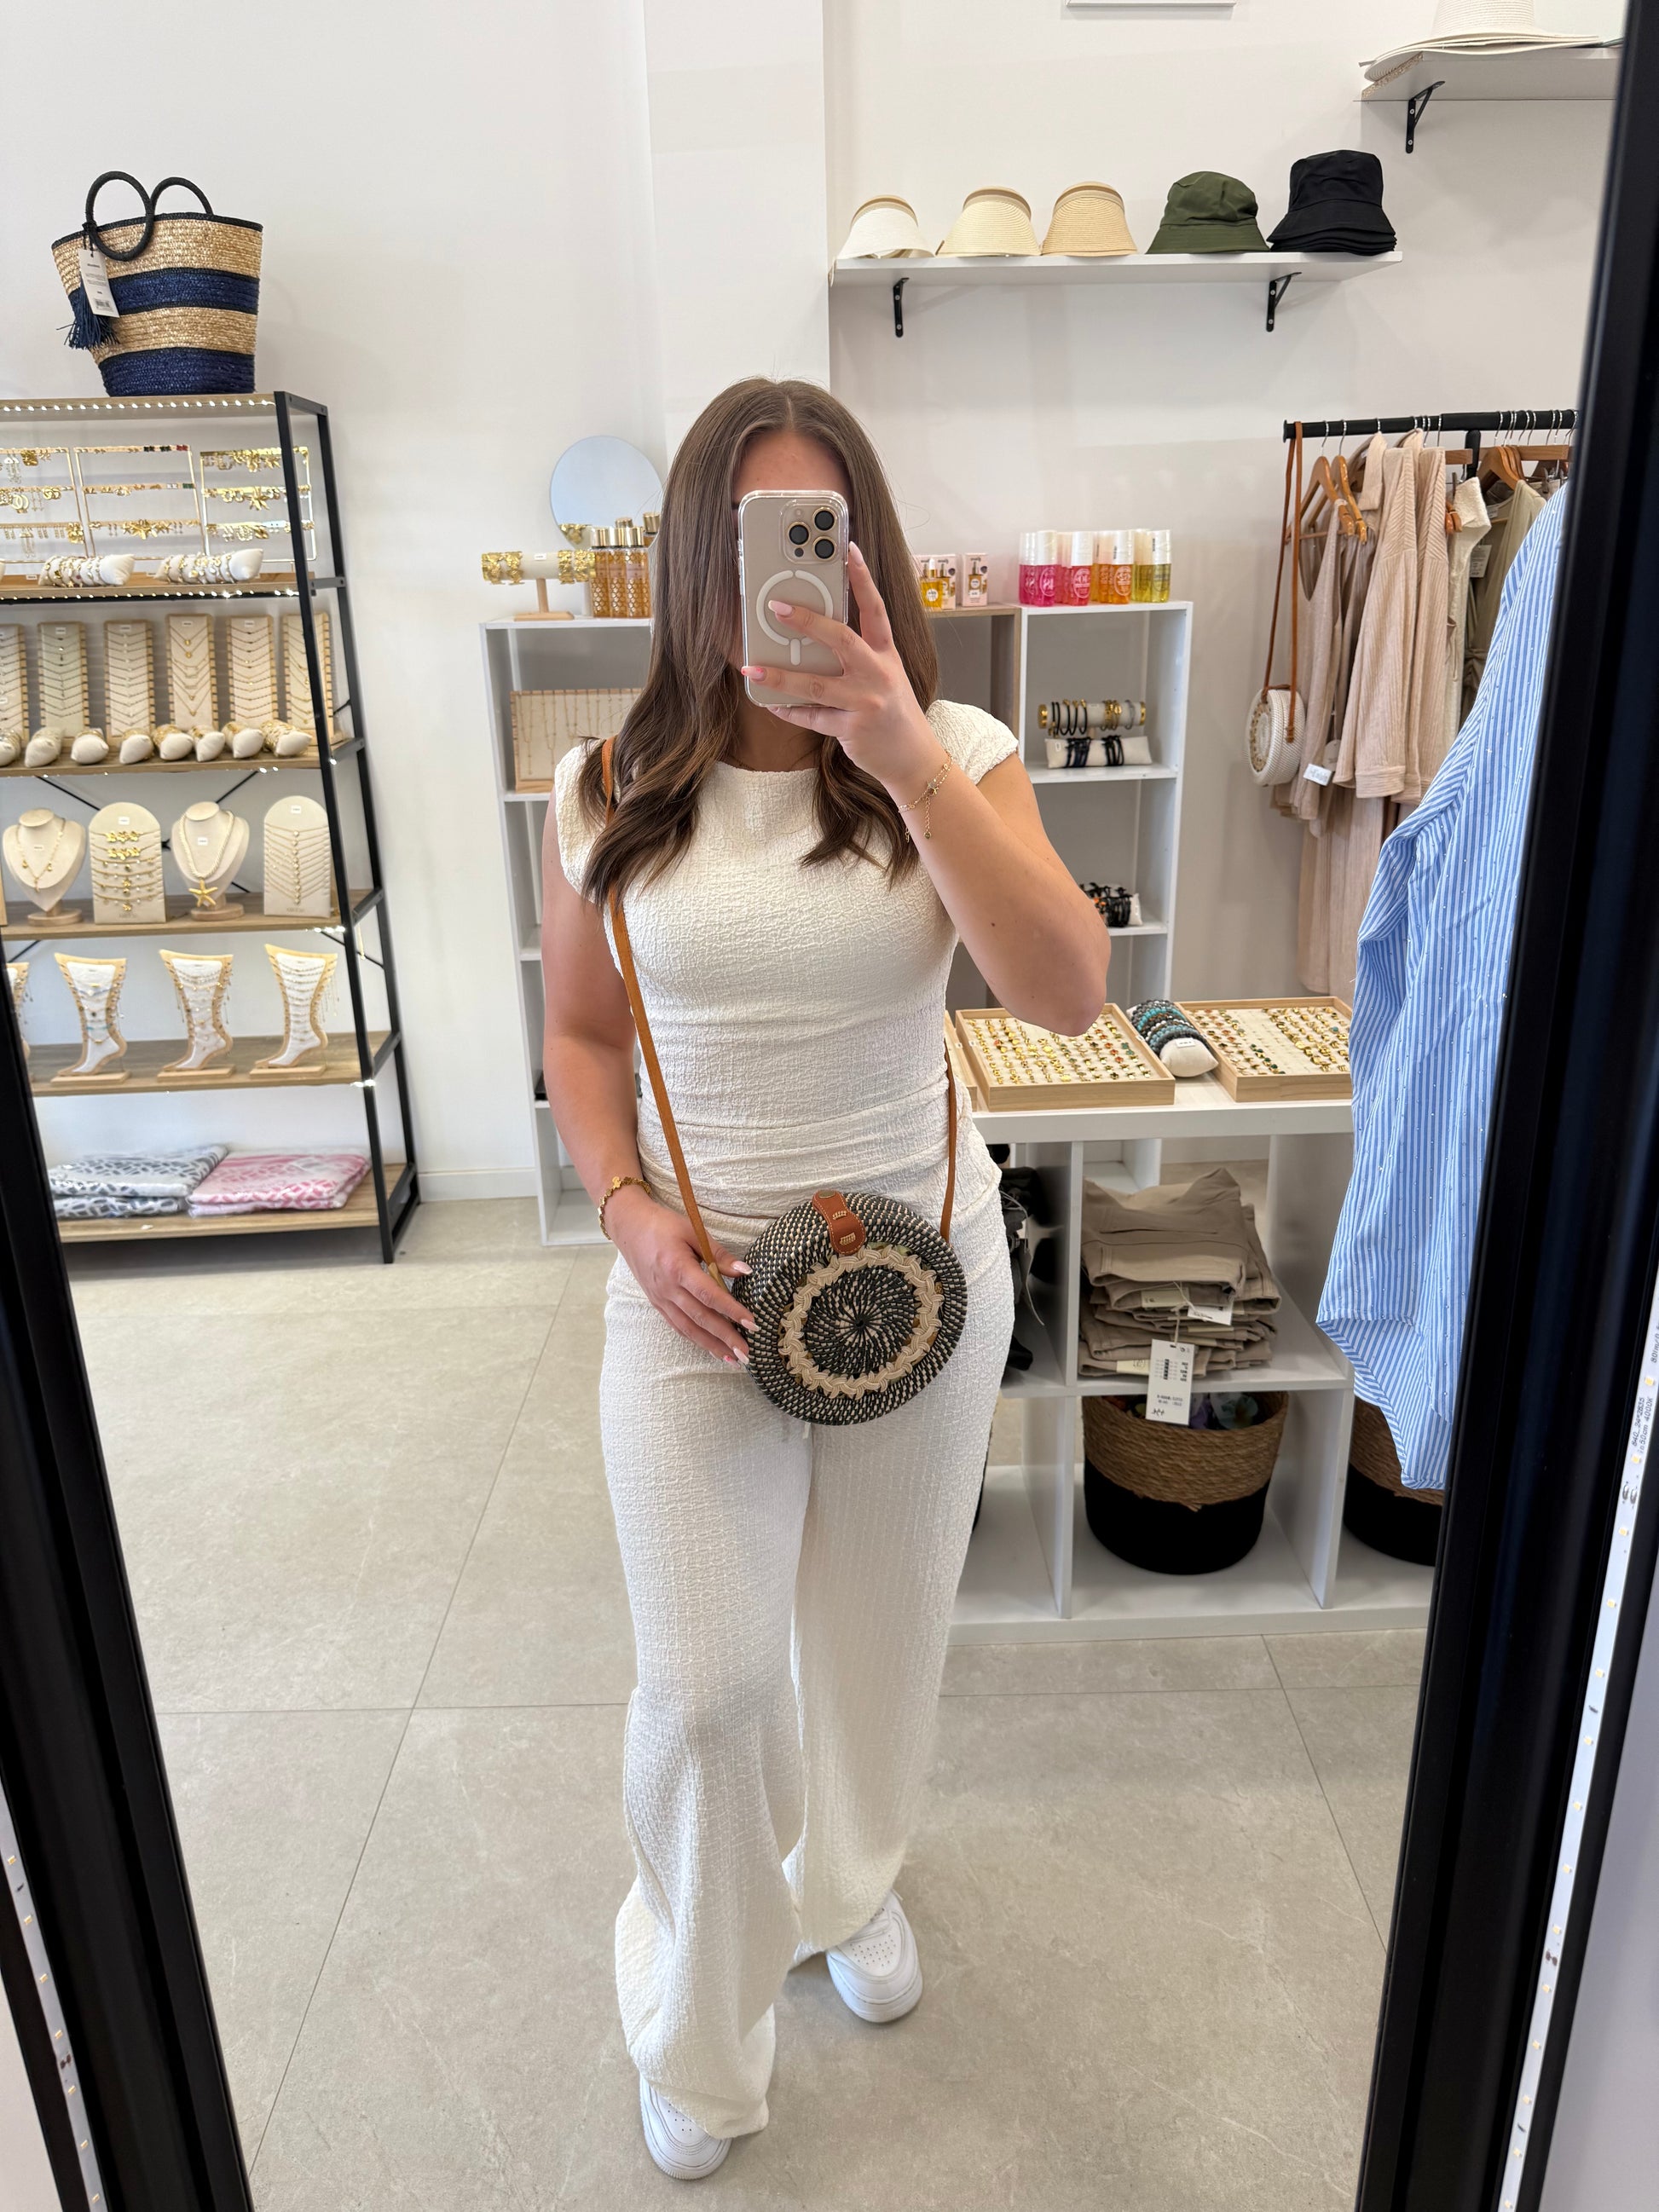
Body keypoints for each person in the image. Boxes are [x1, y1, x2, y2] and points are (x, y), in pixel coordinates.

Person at [541, 377, 1107, 2179]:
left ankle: (846, 1883)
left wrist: (902, 751)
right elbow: (579, 1035)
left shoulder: (956, 748)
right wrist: (623, 1207)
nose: (779, 578)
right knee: (710, 1692)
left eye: (817, 533)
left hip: (915, 1294)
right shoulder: (607, 786)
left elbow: (1066, 994)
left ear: (865, 552)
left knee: (874, 1654)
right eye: (748, 540)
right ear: (691, 560)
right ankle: (699, 2031)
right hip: (691, 1303)